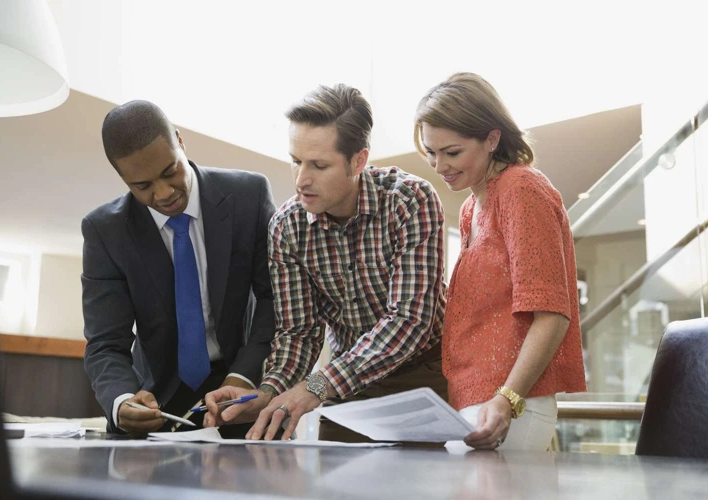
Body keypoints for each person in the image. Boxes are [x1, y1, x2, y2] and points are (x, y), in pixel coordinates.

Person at [203, 84, 449, 442]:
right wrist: (268, 391)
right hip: (346, 385)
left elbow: (410, 320)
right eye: (295, 161)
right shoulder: (287, 226)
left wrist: (317, 385)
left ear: (358, 161)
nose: (302, 180)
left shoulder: (410, 201)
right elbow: (298, 333)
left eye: (319, 165)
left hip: (424, 374)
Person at [82, 100, 276, 436]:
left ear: (179, 140)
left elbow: (273, 300)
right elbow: (105, 343)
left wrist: (244, 376)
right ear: (122, 177)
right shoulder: (104, 231)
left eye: (170, 170)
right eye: (142, 186)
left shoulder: (249, 196)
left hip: (241, 390)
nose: (164, 193)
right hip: (155, 399)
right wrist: (121, 400)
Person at [414, 72, 586, 451]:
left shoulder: (522, 189)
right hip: (474, 398)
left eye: (452, 152)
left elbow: (552, 314)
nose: (439, 165)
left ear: (492, 138)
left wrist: (507, 399)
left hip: (509, 404)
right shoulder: (471, 207)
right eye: (430, 151)